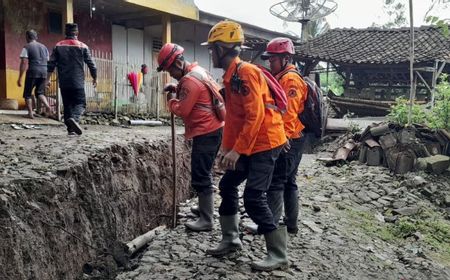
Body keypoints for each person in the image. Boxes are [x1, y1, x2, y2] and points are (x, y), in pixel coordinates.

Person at [203, 21, 288, 271]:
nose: (211, 53)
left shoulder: (247, 73)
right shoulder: (231, 77)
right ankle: (231, 239)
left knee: (253, 197)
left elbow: (256, 116)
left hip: (265, 142)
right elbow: (234, 119)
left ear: (222, 48)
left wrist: (237, 150)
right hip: (250, 142)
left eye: (212, 49)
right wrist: (226, 149)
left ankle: (278, 253)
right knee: (227, 184)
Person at [157, 43, 224, 232]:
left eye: (170, 69)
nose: (170, 74)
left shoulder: (189, 81)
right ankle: (204, 208)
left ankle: (206, 219)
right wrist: (177, 88)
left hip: (206, 131)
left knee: (200, 174)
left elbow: (184, 110)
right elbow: (194, 92)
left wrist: (172, 102)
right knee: (204, 170)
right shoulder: (196, 71)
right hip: (213, 129)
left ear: (177, 63)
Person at [261, 37, 308, 235]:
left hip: (290, 138)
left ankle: (270, 226)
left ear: (286, 58)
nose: (269, 63)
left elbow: (289, 112)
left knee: (278, 182)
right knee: (289, 181)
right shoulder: (282, 76)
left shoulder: (290, 79)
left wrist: (284, 137)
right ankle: (291, 224)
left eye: (273, 59)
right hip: (293, 136)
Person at [47, 23, 97, 135]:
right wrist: (95, 78)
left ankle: (70, 129)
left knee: (67, 105)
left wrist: (47, 79)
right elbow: (91, 64)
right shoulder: (82, 46)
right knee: (81, 103)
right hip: (77, 81)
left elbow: (51, 64)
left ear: (65, 33)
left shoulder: (58, 46)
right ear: (77, 33)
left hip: (64, 81)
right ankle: (74, 119)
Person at [17, 29, 53, 119]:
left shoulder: (27, 47)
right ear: (36, 37)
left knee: (27, 94)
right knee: (40, 92)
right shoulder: (44, 47)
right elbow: (48, 62)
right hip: (44, 71)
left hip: (33, 71)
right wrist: (48, 78)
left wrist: (20, 77)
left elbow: (24, 62)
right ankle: (48, 106)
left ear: (27, 37)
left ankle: (30, 113)